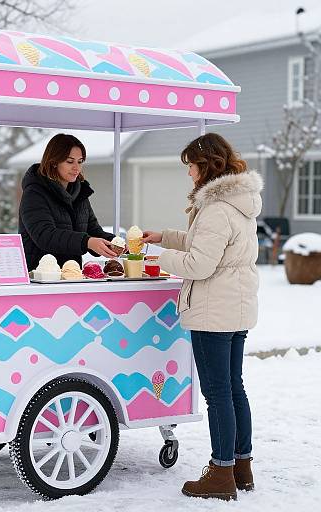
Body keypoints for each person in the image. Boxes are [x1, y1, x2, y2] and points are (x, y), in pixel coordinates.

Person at [142, 132, 263, 501]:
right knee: (234, 388)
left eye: (190, 166)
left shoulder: (215, 209)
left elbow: (199, 263)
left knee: (218, 394)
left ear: (205, 165)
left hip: (213, 311)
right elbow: (204, 242)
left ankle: (220, 472)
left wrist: (155, 260)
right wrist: (163, 237)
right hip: (237, 306)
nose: (188, 173)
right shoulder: (237, 202)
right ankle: (241, 467)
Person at [19, 133, 117, 271]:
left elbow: (93, 231)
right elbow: (45, 235)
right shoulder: (34, 193)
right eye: (70, 162)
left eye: (80, 161)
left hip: (71, 276)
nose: (76, 168)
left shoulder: (80, 193)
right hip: (38, 278)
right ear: (54, 162)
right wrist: (86, 242)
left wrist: (117, 244)